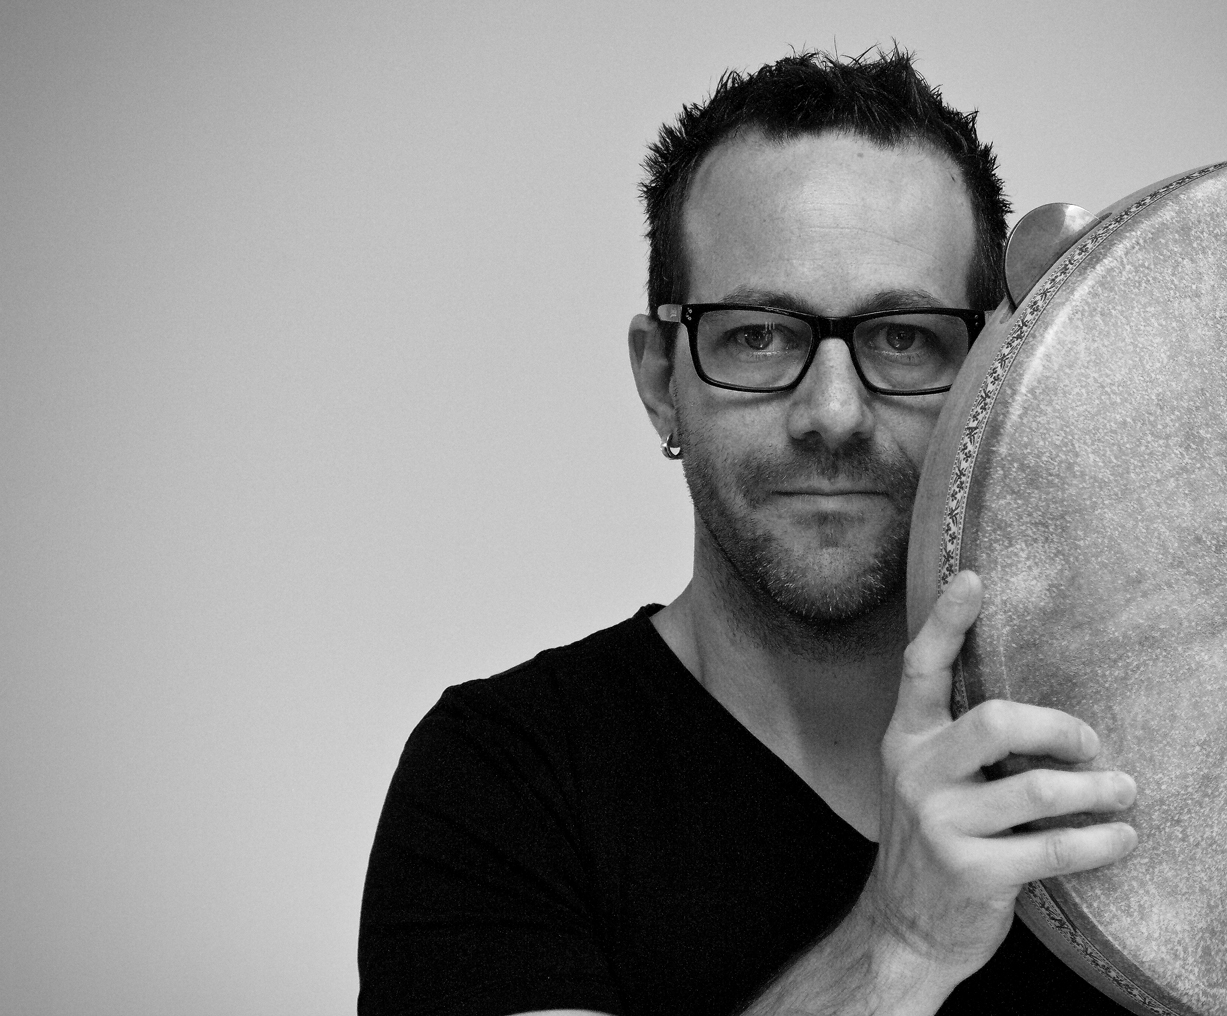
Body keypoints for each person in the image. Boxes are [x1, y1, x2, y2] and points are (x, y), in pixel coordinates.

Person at [359, 48, 1138, 1016]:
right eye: (758, 336)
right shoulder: (501, 781)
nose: (833, 414)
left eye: (903, 337)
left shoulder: (1127, 758)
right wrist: (902, 942)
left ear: (996, 365)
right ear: (660, 380)